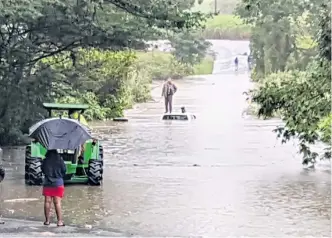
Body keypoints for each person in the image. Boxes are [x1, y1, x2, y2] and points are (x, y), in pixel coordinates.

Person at [41, 150, 66, 226]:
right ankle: (59, 221)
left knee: (47, 202)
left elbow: (43, 170)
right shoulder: (60, 160)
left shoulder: (45, 160)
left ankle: (47, 221)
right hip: (58, 183)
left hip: (47, 183)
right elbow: (64, 170)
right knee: (57, 202)